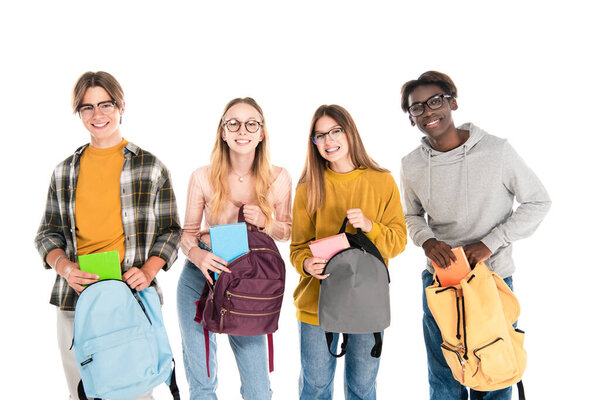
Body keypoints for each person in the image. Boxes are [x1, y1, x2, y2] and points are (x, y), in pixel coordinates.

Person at [399, 71, 551, 400]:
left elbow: (538, 201)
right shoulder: (411, 165)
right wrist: (427, 240)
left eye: (435, 101)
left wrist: (489, 243)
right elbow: (411, 215)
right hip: (440, 281)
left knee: (494, 373)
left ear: (453, 102)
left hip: (492, 280)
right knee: (444, 374)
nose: (428, 112)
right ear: (411, 118)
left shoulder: (497, 152)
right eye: (417, 108)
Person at [34, 71, 182, 399]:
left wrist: (149, 270)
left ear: (121, 106)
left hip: (131, 297)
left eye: (105, 104)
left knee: (136, 388)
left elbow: (171, 231)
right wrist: (65, 268)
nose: (97, 114)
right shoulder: (64, 171)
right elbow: (47, 234)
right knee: (84, 392)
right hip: (77, 299)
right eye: (87, 107)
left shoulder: (150, 166)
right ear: (78, 112)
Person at [177, 97, 292, 400]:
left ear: (261, 132)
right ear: (223, 131)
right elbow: (187, 234)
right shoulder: (202, 176)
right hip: (200, 277)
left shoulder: (279, 178)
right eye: (234, 123)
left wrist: (267, 222)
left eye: (251, 123)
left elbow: (287, 231)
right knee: (201, 383)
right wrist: (197, 254)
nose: (243, 130)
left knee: (257, 390)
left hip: (250, 282)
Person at [290, 104, 407, 400]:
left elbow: (398, 242)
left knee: (362, 388)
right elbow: (298, 247)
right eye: (320, 136)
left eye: (335, 132)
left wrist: (370, 226)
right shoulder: (308, 187)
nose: (328, 141)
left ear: (350, 133)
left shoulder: (382, 181)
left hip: (365, 302)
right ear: (313, 144)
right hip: (316, 303)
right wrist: (307, 264)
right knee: (315, 388)